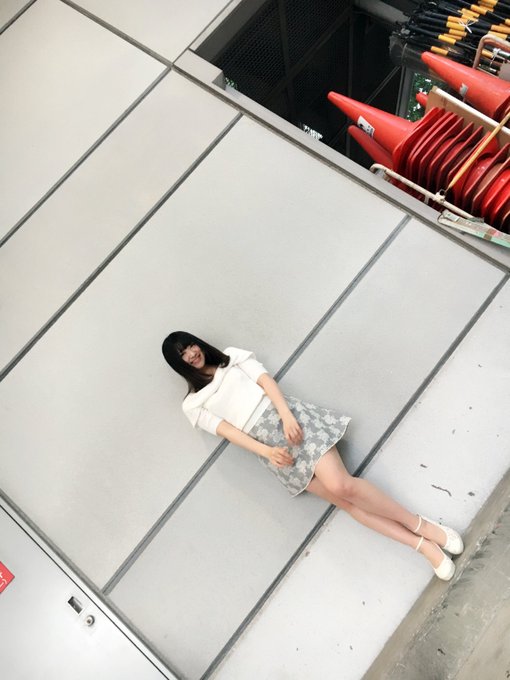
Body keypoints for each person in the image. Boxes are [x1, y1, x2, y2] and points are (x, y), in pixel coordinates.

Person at [162, 331, 464, 581]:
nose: (191, 354)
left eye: (190, 346)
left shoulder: (232, 358)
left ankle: (423, 526)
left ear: (198, 343)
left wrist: (285, 415)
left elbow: (266, 382)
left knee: (342, 485)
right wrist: (267, 451)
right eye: (183, 355)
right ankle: (423, 547)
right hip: (270, 449)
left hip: (292, 421)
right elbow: (229, 432)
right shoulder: (193, 405)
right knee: (345, 503)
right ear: (179, 365)